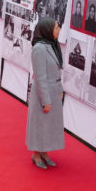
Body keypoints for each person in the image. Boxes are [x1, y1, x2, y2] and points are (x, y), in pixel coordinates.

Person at [26, 18, 65, 169]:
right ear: (47, 29)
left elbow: (57, 71)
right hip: (43, 94)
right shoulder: (39, 49)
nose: (58, 30)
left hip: (54, 91)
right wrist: (46, 101)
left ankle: (44, 152)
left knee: (48, 125)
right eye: (56, 27)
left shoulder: (52, 45)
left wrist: (60, 90)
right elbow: (40, 77)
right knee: (40, 125)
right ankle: (36, 155)